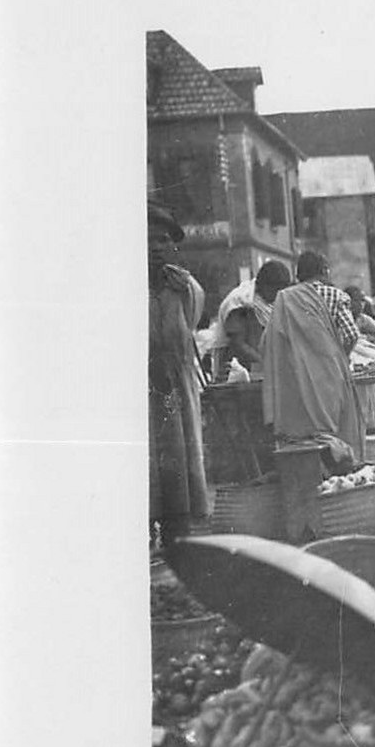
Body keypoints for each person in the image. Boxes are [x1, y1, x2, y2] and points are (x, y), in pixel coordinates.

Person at [261, 250, 366, 463]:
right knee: (334, 429)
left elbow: (268, 341)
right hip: (330, 375)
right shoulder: (335, 295)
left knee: (304, 435)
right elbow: (351, 334)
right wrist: (337, 357)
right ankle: (340, 472)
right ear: (324, 271)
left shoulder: (285, 298)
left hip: (296, 380)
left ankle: (311, 474)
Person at [149, 204, 210, 549]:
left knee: (178, 452)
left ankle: (177, 531)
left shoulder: (186, 289)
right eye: (147, 241)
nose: (155, 247)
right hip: (139, 388)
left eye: (162, 240)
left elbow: (189, 330)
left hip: (175, 387)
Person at [209, 260, 292, 377]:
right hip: (234, 372)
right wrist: (267, 363)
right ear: (265, 285)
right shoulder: (240, 301)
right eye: (276, 292)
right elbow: (238, 344)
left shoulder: (261, 300)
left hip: (255, 371)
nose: (277, 297)